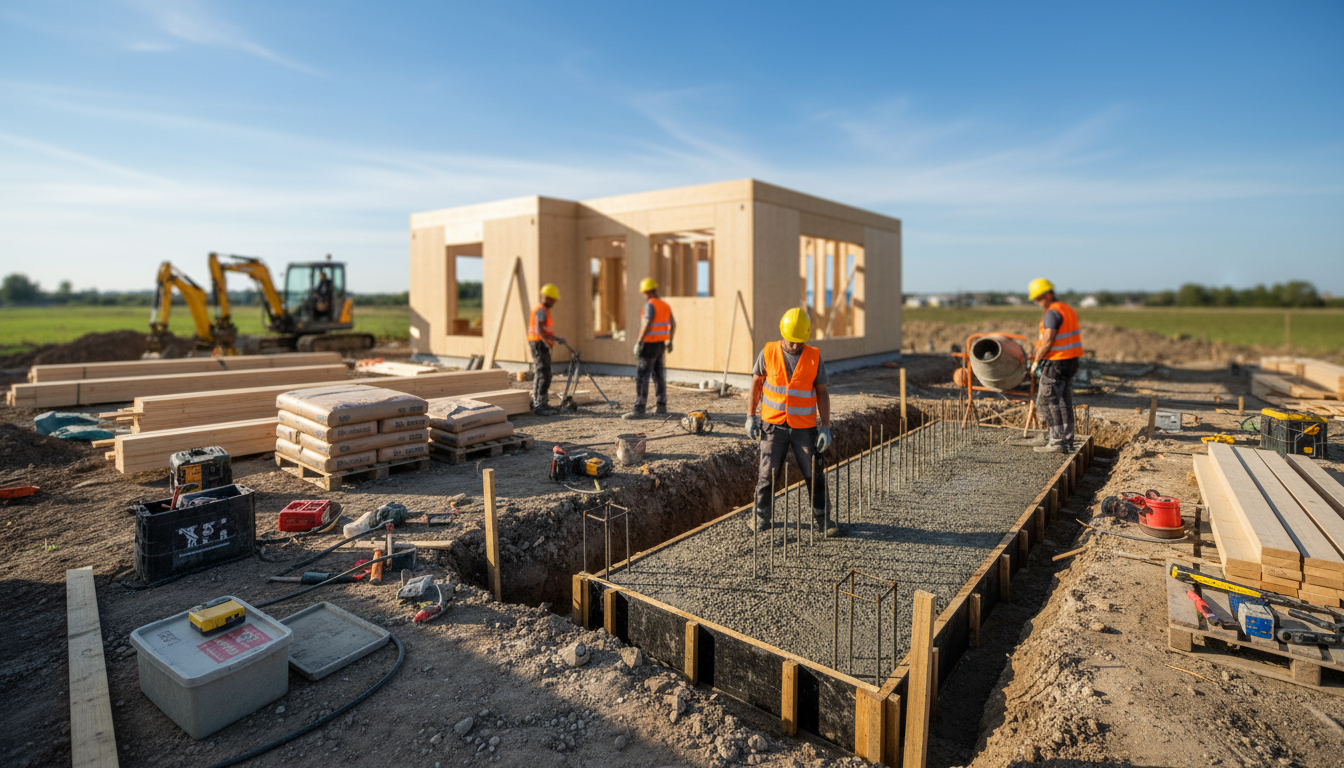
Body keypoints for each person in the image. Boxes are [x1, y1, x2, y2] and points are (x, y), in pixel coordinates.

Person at [746, 308, 840, 536]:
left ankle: (823, 520)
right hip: (772, 426)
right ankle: (761, 518)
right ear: (783, 333)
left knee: (814, 473)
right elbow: (756, 384)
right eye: (791, 341)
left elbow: (822, 392)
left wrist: (825, 426)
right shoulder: (768, 352)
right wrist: (750, 416)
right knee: (767, 474)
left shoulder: (814, 356)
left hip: (804, 428)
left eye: (800, 342)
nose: (795, 346)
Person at [1027, 278, 1084, 453]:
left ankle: (1056, 442)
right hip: (1071, 361)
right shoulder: (1067, 309)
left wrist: (1036, 359)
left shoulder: (1052, 313)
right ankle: (1067, 439)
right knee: (1063, 400)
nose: (1038, 303)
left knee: (1047, 401)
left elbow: (1048, 340)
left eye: (1039, 299)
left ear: (1048, 295)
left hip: (1056, 362)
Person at [623, 277, 675, 419]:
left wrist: (639, 342)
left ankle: (639, 408)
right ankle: (661, 406)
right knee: (659, 375)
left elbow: (647, 323)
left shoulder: (650, 305)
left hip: (649, 345)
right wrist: (670, 341)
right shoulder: (664, 305)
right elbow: (673, 324)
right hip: (660, 345)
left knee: (642, 375)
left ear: (647, 292)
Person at [527, 284, 566, 415]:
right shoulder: (542, 310)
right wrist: (548, 341)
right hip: (539, 343)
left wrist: (554, 338)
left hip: (538, 342)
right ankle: (540, 404)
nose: (554, 302)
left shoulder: (542, 310)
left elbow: (543, 329)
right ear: (548, 298)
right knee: (544, 373)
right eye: (553, 299)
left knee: (542, 373)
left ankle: (538, 401)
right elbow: (540, 329)